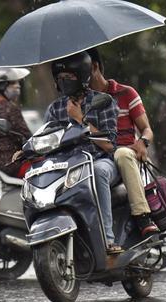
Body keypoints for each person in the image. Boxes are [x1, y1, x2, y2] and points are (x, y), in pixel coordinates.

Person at [43, 51, 122, 254]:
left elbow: (109, 145)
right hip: (68, 165)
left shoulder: (103, 101)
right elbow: (47, 139)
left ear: (83, 76)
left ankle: (107, 239)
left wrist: (80, 119)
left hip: (101, 161)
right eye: (60, 78)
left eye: (69, 77)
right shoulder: (55, 108)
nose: (64, 82)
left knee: (97, 173)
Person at [87, 48, 160, 237]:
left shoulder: (126, 93)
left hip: (126, 155)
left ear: (95, 67)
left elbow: (147, 129)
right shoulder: (80, 100)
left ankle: (142, 216)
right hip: (98, 158)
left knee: (122, 153)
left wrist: (143, 142)